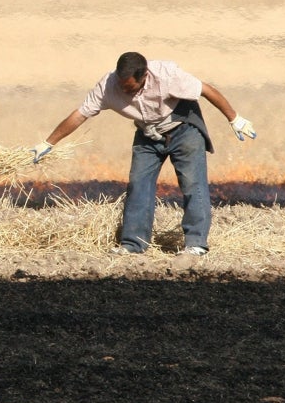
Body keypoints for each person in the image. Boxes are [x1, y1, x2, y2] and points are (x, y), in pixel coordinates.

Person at [31, 52, 256, 255]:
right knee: (138, 184)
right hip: (147, 133)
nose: (124, 92)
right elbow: (80, 114)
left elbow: (206, 90)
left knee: (192, 184)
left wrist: (234, 119)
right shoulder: (108, 85)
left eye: (130, 88)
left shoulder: (167, 75)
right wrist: (48, 143)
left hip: (183, 128)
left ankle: (195, 243)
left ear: (144, 76)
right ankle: (133, 244)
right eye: (122, 87)